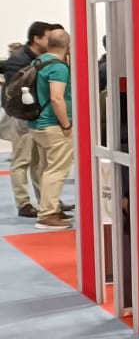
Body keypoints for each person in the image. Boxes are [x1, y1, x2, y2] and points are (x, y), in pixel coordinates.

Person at [4, 21, 57, 219]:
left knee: (39, 161)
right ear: (36, 39)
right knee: (22, 160)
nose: (51, 41)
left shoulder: (40, 57)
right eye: (47, 37)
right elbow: (14, 91)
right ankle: (23, 203)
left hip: (37, 115)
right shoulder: (19, 60)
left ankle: (46, 200)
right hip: (22, 116)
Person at [29, 27, 75, 232]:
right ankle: (47, 214)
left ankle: (51, 207)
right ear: (67, 46)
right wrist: (66, 124)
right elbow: (57, 98)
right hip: (53, 124)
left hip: (36, 123)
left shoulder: (38, 62)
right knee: (57, 169)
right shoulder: (59, 68)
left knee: (44, 168)